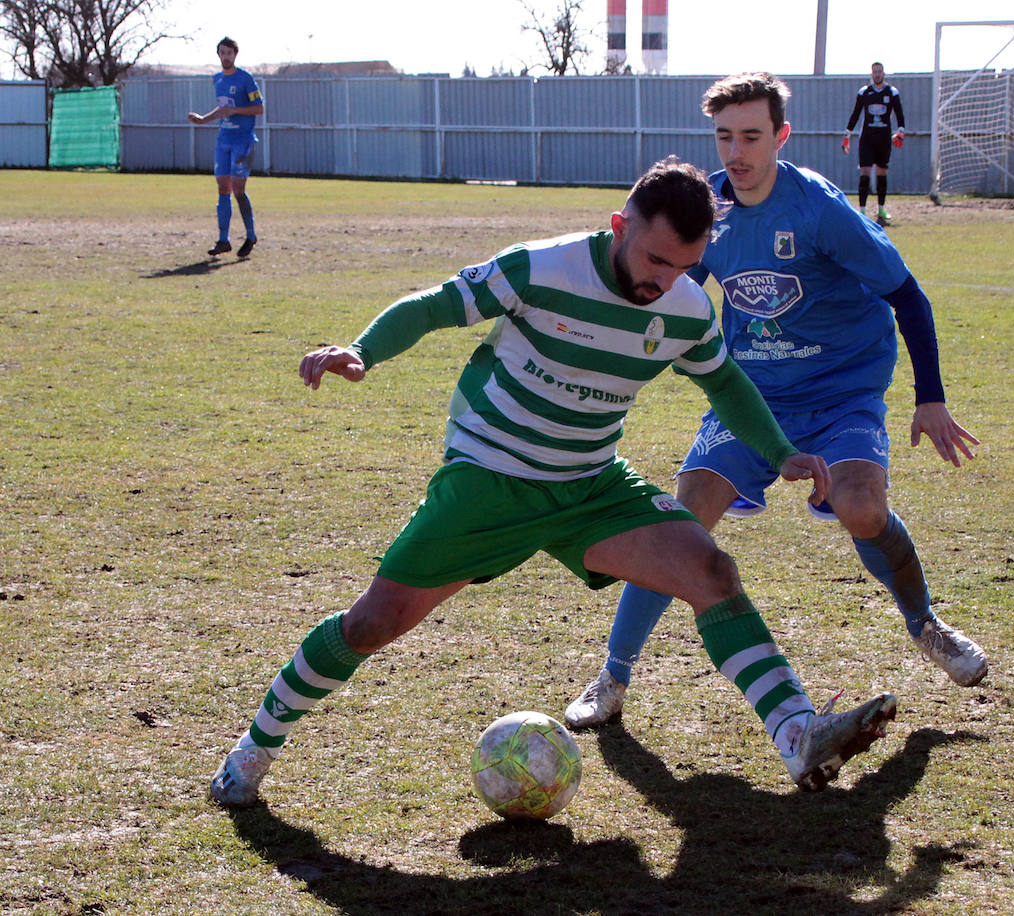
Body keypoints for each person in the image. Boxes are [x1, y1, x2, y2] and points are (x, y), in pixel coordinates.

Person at [208, 158, 899, 807]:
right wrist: (361, 350)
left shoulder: (686, 307)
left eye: (685, 266)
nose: (663, 281)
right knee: (371, 623)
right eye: (655, 259)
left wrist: (781, 453)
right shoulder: (541, 268)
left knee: (711, 570)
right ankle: (252, 751)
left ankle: (798, 735)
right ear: (619, 226)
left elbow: (723, 379)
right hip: (489, 484)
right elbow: (434, 305)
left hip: (590, 487)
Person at [566, 74, 986, 732]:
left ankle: (925, 624)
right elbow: (672, 281)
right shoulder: (710, 209)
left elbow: (908, 295)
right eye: (725, 136)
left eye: (752, 136)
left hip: (840, 392)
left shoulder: (817, 209)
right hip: (754, 396)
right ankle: (613, 677)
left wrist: (929, 398)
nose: (736, 152)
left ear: (780, 136)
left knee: (862, 509)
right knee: (680, 522)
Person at [188, 37, 263, 258]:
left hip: (243, 142)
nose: (225, 56)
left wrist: (237, 110)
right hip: (224, 141)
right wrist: (203, 119)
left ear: (235, 55)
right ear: (218, 54)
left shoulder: (246, 79)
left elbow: (259, 108)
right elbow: (222, 109)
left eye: (229, 53)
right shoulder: (217, 79)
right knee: (223, 188)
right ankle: (223, 240)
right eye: (222, 52)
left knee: (238, 190)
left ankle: (251, 235)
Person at [844, 62, 905, 225]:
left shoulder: (892, 92)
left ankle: (881, 209)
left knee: (882, 173)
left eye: (880, 71)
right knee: (864, 172)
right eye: (875, 72)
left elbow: (899, 113)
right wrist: (847, 134)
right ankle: (862, 210)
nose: (877, 74)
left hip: (884, 138)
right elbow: (855, 113)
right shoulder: (864, 92)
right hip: (867, 138)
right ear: (871, 75)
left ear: (883, 74)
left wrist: (901, 131)